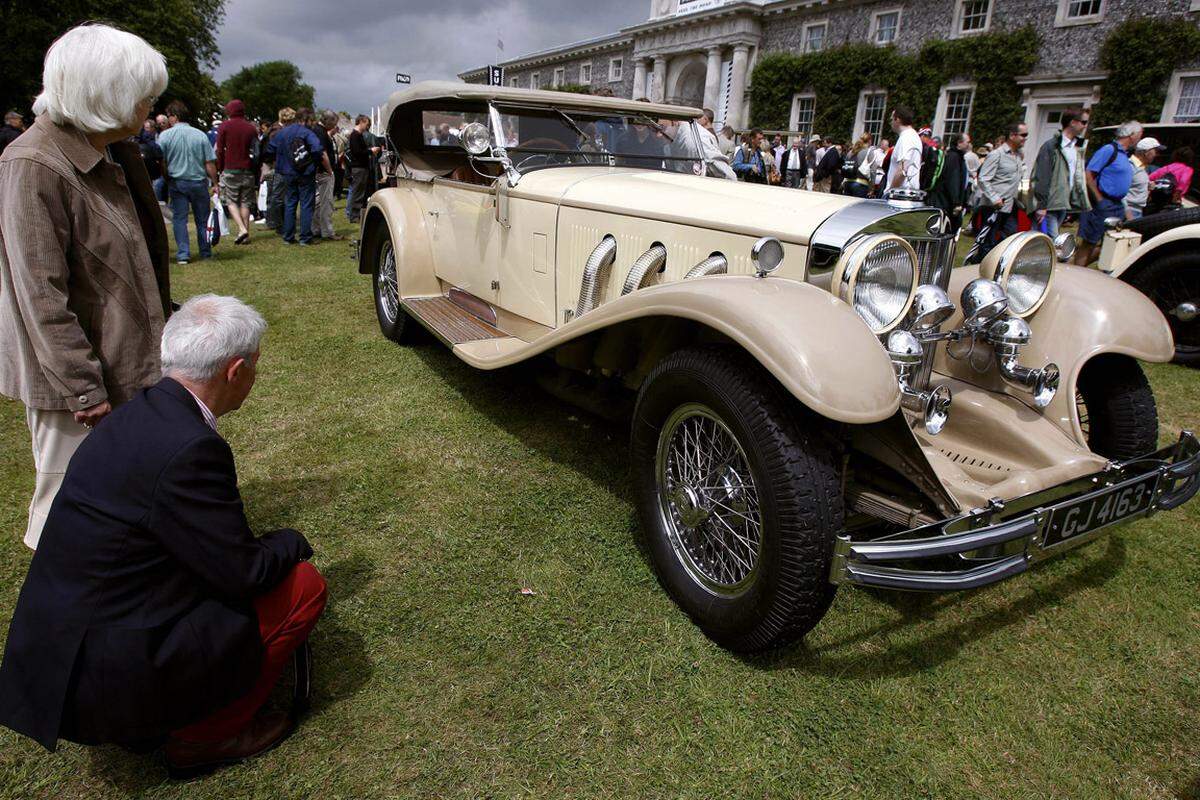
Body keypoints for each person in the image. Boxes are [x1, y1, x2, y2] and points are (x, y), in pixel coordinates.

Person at [0, 294, 327, 775]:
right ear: (235, 371)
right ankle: (206, 737)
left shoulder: (136, 415)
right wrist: (291, 541)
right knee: (303, 587)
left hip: (57, 656)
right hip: (104, 675)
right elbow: (244, 573)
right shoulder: (191, 448)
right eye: (256, 366)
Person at [0, 23, 171, 550]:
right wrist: (83, 386)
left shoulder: (116, 151)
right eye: (142, 95)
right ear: (104, 94)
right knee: (66, 508)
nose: (150, 105)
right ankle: (62, 621)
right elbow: (39, 295)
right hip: (77, 379)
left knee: (125, 498)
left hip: (126, 359)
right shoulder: (34, 163)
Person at [1074, 120, 1142, 266]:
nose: (1139, 139)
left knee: (1112, 243)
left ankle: (1081, 268)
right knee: (1090, 242)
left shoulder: (1124, 155)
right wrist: (1099, 200)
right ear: (1131, 135)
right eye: (1139, 135)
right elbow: (1088, 174)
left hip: (1116, 205)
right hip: (1102, 203)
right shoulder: (1109, 150)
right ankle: (1075, 272)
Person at [158, 99, 217, 264]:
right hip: (198, 181)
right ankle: (205, 252)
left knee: (179, 219)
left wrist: (165, 176)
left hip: (177, 181)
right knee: (202, 219)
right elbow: (209, 162)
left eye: (169, 116)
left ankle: (183, 254)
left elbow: (161, 161)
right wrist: (215, 182)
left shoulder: (165, 136)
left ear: (174, 117)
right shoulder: (200, 135)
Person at [265, 107, 327, 246]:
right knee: (306, 204)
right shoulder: (307, 133)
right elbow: (317, 149)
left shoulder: (281, 133)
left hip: (286, 173)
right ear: (305, 120)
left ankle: (288, 236)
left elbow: (270, 149)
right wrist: (313, 163)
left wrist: (279, 160)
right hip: (305, 172)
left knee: (290, 203)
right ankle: (305, 237)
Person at [969, 122, 1028, 264]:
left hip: (1010, 206)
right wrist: (995, 198)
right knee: (987, 242)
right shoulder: (997, 155)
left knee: (1009, 239)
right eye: (1023, 135)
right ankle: (979, 268)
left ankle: (993, 265)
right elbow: (983, 178)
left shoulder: (1019, 155)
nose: (1026, 138)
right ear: (1012, 135)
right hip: (992, 207)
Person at [1031, 107, 1090, 237]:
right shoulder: (1052, 146)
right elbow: (1042, 176)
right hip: (1049, 205)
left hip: (1063, 203)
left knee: (1044, 242)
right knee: (1050, 241)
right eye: (1084, 122)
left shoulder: (1076, 148)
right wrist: (1041, 205)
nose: (1085, 126)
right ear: (1072, 122)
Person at [215, 98, 259, 245]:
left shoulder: (224, 127)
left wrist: (220, 168)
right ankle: (245, 234)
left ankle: (241, 229)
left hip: (230, 168)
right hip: (247, 169)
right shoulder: (251, 128)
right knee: (245, 202)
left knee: (231, 200)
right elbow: (256, 150)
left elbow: (220, 150)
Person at [925, 132, 970, 232]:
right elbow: (953, 181)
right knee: (946, 231)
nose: (969, 145)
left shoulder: (956, 156)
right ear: (959, 143)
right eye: (967, 142)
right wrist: (956, 203)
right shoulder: (954, 157)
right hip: (946, 203)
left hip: (946, 201)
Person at [312, 110, 344, 239]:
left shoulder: (317, 131)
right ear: (328, 120)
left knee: (318, 203)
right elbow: (323, 153)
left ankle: (316, 228)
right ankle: (327, 231)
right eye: (334, 123)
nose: (335, 126)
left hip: (318, 172)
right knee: (326, 203)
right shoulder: (321, 133)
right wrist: (330, 170)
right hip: (324, 172)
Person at [347, 115, 379, 222]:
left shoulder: (358, 135)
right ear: (361, 122)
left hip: (361, 167)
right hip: (358, 167)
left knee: (359, 191)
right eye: (366, 123)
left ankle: (355, 214)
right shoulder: (355, 135)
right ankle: (354, 215)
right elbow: (357, 152)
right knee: (357, 192)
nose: (367, 126)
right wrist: (371, 151)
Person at [886, 106, 922, 194]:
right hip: (907, 193)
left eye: (892, 119)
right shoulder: (913, 136)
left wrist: (890, 192)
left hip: (899, 196)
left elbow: (902, 171)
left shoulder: (906, 138)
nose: (891, 123)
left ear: (897, 119)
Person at [1125, 137, 1164, 219]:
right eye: (1155, 151)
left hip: (1138, 211)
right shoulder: (1130, 166)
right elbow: (1120, 192)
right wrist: (1128, 214)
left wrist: (1148, 187)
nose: (1157, 155)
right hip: (1130, 212)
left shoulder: (1141, 167)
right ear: (1146, 152)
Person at [695, 109, 735, 179]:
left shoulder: (708, 135)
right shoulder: (710, 134)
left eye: (699, 118)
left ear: (705, 119)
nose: (697, 120)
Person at [842, 133, 875, 198]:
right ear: (870, 141)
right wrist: (872, 187)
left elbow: (846, 166)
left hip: (848, 182)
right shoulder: (869, 152)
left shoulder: (851, 152)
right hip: (861, 184)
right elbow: (873, 170)